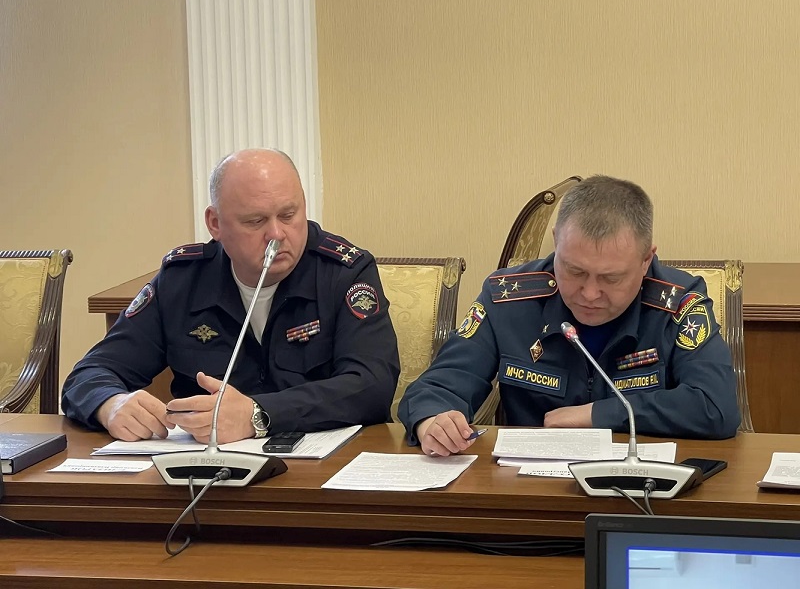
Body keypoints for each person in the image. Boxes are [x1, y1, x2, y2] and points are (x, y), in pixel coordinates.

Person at [62, 148, 400, 444]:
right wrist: (110, 404)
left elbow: (373, 385)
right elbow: (91, 373)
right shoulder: (183, 280)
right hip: (205, 472)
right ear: (215, 223)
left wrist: (258, 413)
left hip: (321, 470)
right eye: (255, 221)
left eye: (288, 215)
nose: (277, 234)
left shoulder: (342, 272)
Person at [399, 175, 740, 456]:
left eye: (611, 278)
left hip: (641, 490)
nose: (589, 293)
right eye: (574, 271)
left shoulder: (678, 303)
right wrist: (433, 420)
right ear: (556, 242)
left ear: (646, 260)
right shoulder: (508, 298)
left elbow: (716, 406)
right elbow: (437, 386)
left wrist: (597, 415)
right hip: (531, 491)